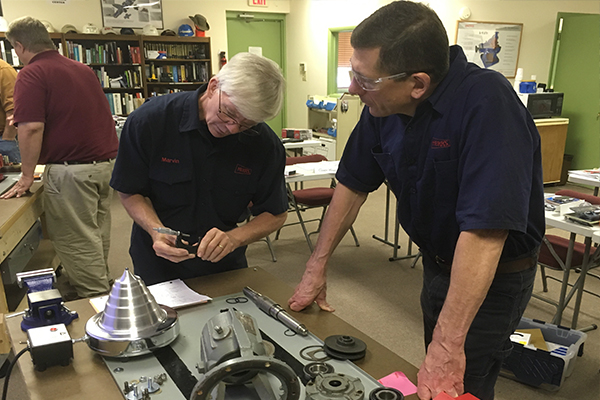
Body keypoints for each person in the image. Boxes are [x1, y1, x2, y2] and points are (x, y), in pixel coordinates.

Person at [287, 2, 544, 400]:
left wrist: (447, 343)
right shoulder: (384, 102)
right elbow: (353, 183)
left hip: (493, 277)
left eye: (364, 80)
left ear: (418, 84)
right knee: (435, 373)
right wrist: (315, 268)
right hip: (437, 263)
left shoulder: (487, 104)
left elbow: (485, 230)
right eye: (353, 74)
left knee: (458, 383)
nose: (354, 89)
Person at [110, 52, 288, 286]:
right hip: (158, 263)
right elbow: (130, 189)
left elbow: (275, 213)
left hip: (224, 266)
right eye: (229, 113)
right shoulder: (150, 121)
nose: (233, 129)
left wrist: (234, 238)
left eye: (247, 124)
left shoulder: (265, 144)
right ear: (214, 86)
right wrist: (156, 230)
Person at [1, 17, 119, 299]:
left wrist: (27, 175)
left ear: (19, 46)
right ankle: (101, 285)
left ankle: (97, 302)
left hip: (71, 173)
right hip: (106, 167)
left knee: (76, 240)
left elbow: (30, 127)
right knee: (96, 233)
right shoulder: (82, 69)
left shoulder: (32, 73)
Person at [0, 58, 19, 163]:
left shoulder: (3, 70)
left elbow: (14, 110)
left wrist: (7, 141)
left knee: (11, 178)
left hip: (3, 142)